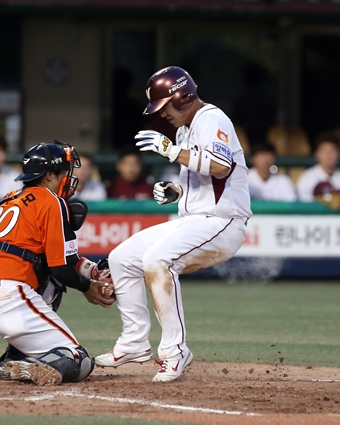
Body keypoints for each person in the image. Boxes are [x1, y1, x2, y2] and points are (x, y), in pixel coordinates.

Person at [94, 66, 252, 382]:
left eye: (163, 106)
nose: (161, 114)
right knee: (122, 258)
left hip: (223, 222)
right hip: (195, 219)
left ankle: (174, 351)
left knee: (157, 260)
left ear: (182, 97)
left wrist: (171, 151)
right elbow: (201, 178)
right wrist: (177, 191)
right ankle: (135, 342)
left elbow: (221, 166)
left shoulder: (212, 118)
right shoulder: (184, 129)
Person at [0, 141, 115, 386]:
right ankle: (28, 362)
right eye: (63, 173)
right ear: (49, 175)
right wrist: (87, 287)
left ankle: (15, 357)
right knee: (78, 360)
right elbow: (61, 268)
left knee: (44, 271)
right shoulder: (51, 201)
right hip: (6, 299)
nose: (67, 178)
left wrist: (91, 270)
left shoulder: (9, 198)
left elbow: (60, 259)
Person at [297, 132, 340, 202]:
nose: (329, 155)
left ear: (338, 153)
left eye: (332, 151)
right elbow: (305, 206)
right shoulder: (307, 178)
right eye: (325, 151)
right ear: (317, 154)